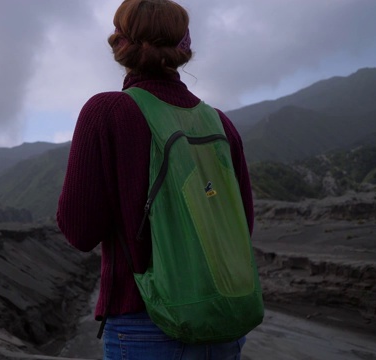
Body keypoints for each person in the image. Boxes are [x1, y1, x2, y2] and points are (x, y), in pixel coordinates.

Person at [56, 0, 255, 359]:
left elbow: (80, 231)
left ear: (120, 44)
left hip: (145, 324)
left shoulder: (107, 113)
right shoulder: (220, 123)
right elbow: (241, 225)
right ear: (184, 46)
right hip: (225, 323)